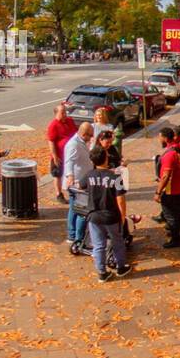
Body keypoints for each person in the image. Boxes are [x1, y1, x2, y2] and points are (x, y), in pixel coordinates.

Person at [76, 141, 132, 278]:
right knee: (117, 242)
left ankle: (102, 272)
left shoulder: (89, 175)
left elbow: (80, 186)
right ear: (106, 159)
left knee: (98, 245)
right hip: (111, 216)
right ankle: (121, 267)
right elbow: (120, 199)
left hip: (94, 216)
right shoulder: (116, 177)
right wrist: (122, 216)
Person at [60, 117, 97, 255]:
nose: (91, 137)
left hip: (81, 181)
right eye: (90, 135)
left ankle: (73, 234)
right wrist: (70, 176)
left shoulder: (82, 142)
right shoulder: (73, 144)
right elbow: (69, 162)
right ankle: (75, 236)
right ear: (84, 134)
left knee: (75, 208)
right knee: (79, 210)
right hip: (77, 184)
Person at [154, 125, 180, 248]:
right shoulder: (177, 148)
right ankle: (176, 232)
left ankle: (176, 239)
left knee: (170, 214)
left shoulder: (170, 154)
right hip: (178, 186)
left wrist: (158, 192)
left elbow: (166, 176)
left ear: (165, 138)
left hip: (171, 189)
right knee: (176, 211)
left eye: (160, 137)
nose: (159, 140)